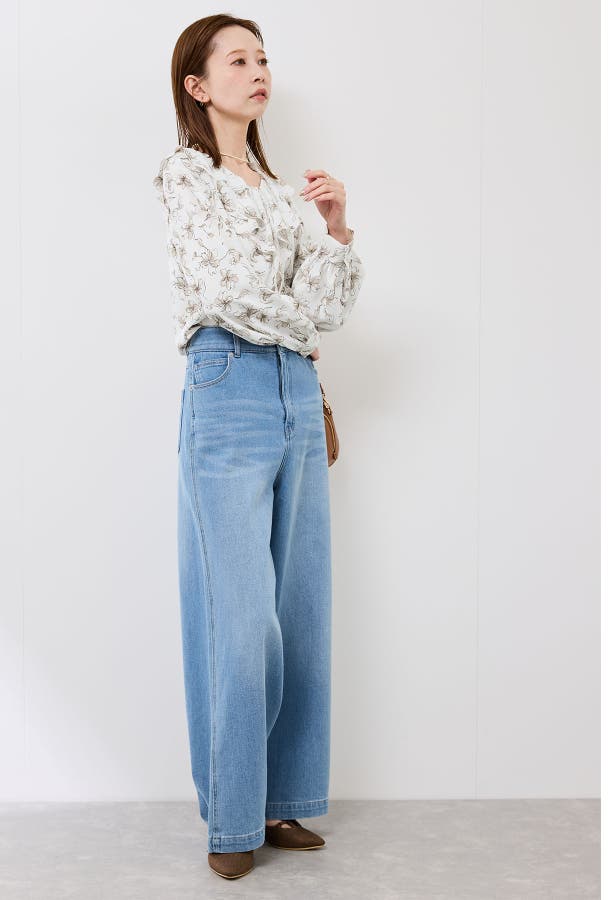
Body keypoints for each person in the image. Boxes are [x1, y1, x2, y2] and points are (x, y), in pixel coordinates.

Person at [152, 13, 364, 880]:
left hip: (294, 394)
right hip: (228, 383)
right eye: (237, 59)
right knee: (240, 617)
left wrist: (336, 230)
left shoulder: (281, 194)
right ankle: (233, 815)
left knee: (300, 609)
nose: (257, 70)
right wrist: (300, 321)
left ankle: (281, 802)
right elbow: (225, 292)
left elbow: (330, 307)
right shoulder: (186, 175)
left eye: (263, 57)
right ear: (199, 86)